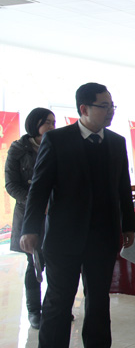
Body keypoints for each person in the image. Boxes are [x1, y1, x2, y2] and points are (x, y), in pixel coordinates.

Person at [20, 83, 135, 348]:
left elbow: (122, 187)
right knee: (59, 301)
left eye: (112, 106)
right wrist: (31, 228)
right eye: (104, 106)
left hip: (103, 238)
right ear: (84, 109)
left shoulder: (116, 142)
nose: (110, 111)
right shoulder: (57, 140)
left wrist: (128, 225)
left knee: (99, 301)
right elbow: (39, 189)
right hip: (64, 238)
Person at [5, 108, 55, 329]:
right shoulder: (18, 149)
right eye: (47, 122)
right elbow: (11, 185)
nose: (52, 126)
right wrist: (37, 203)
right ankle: (35, 311)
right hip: (29, 214)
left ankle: (55, 306)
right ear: (35, 124)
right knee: (34, 263)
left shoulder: (56, 145)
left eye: (53, 122)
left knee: (55, 262)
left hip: (54, 213)